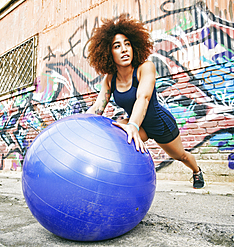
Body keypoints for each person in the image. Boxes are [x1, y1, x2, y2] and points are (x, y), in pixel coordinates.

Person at [86, 14, 205, 189]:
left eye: (127, 44)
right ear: (108, 52)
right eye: (117, 46)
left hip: (160, 124)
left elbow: (144, 97)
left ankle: (196, 170)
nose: (124, 49)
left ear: (134, 46)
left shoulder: (145, 68)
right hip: (138, 125)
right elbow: (98, 106)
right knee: (115, 133)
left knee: (181, 156)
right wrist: (81, 122)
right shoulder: (109, 79)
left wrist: (133, 125)